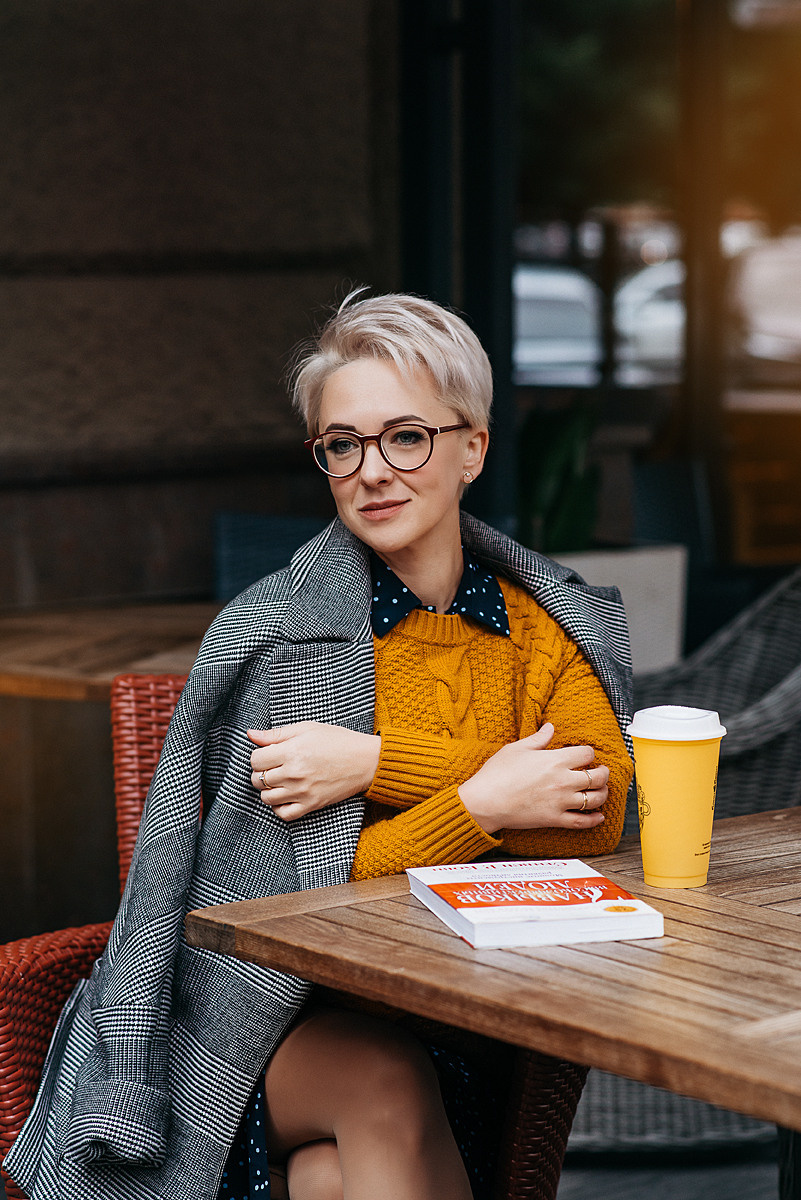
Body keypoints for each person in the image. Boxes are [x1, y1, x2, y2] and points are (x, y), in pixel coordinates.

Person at [5, 291, 633, 1200]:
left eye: (406, 436)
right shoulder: (279, 641)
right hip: (243, 1032)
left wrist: (382, 765)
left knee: (331, 1180)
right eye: (344, 444)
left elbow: (596, 814)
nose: (372, 471)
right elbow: (298, 907)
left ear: (472, 450)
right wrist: (488, 805)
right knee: (381, 1084)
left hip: (455, 1022)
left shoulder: (545, 626)